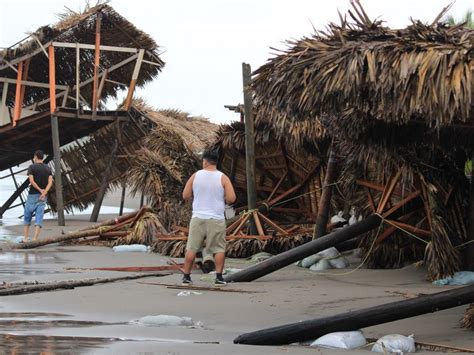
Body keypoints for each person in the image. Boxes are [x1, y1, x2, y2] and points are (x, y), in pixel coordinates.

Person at [182, 149, 236, 286]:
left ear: (205, 161)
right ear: (216, 161)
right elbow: (231, 198)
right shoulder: (223, 177)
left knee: (192, 248)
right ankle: (218, 278)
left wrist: (198, 196)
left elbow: (186, 196)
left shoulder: (195, 176)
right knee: (218, 249)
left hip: (198, 217)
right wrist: (222, 198)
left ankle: (186, 277)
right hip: (216, 218)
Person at [23, 150, 53, 242]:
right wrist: (43, 192)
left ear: (36, 157)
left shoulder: (32, 167)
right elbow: (50, 182)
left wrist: (40, 190)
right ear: (43, 157)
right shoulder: (48, 168)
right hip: (42, 197)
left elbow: (31, 181)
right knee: (39, 217)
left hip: (32, 195)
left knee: (27, 216)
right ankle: (35, 238)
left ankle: (25, 238)